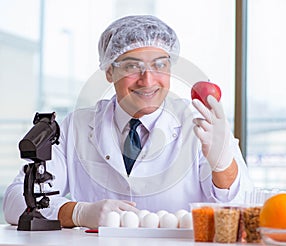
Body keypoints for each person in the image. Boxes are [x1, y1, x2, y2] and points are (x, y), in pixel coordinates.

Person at [3, 15, 254, 229]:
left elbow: (242, 210)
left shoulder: (201, 126)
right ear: (109, 71)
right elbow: (15, 201)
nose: (147, 80)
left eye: (159, 65)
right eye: (133, 66)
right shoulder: (76, 127)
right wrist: (78, 212)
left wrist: (223, 164)